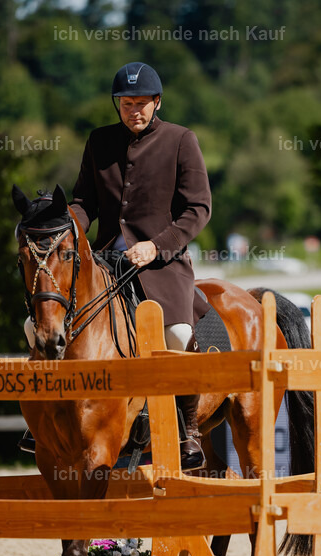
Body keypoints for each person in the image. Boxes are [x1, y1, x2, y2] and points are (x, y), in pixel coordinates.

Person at [71, 61, 212, 469]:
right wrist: (66, 228)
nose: (134, 111)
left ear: (157, 102)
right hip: (105, 264)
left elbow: (198, 208)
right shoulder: (99, 142)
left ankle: (188, 431)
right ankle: (48, 420)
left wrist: (157, 246)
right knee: (47, 327)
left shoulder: (181, 140)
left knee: (178, 333)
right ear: (117, 104)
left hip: (159, 265)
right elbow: (85, 203)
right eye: (126, 103)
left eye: (142, 104)